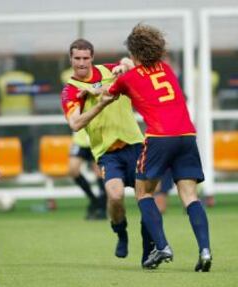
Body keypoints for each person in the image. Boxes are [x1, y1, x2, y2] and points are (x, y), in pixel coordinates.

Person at [104, 24, 212, 271]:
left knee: (143, 193)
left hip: (160, 138)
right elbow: (144, 72)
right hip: (186, 135)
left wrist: (118, 72)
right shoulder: (167, 68)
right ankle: (205, 250)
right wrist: (128, 65)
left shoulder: (127, 80)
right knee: (190, 196)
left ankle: (162, 246)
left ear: (134, 53)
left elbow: (107, 93)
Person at [61, 39, 154, 264]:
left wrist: (125, 66)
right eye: (77, 58)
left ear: (92, 57)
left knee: (147, 198)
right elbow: (74, 124)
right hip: (107, 153)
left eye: (85, 58)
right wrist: (100, 103)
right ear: (71, 59)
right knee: (115, 196)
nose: (81, 63)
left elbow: (130, 64)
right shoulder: (71, 90)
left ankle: (148, 249)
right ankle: (121, 233)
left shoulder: (110, 70)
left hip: (134, 144)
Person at [70, 129, 107, 219]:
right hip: (80, 140)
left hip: (98, 139)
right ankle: (94, 200)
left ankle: (102, 207)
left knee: (100, 173)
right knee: (73, 169)